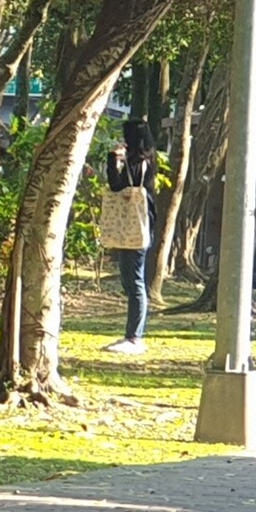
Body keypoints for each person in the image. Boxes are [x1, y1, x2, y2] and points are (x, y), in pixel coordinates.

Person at [104, 119, 157, 355]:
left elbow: (116, 186)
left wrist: (112, 160)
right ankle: (133, 334)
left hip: (133, 229)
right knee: (133, 280)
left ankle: (134, 336)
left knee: (134, 282)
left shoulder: (135, 163)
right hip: (142, 227)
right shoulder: (149, 160)